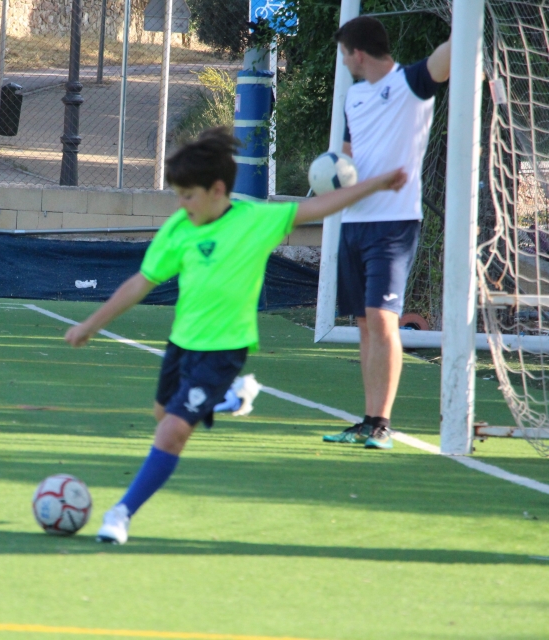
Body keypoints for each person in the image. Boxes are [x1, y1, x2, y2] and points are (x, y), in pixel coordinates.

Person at [64, 127, 407, 544]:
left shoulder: (255, 221)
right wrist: (90, 325)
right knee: (162, 416)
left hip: (224, 349)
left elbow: (320, 206)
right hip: (181, 344)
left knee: (171, 431)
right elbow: (140, 282)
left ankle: (121, 513)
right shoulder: (179, 227)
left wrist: (379, 182)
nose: (181, 203)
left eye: (188, 194)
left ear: (218, 189)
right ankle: (228, 398)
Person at [322, 17, 451, 450]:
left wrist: (469, 15)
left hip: (395, 224)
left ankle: (382, 423)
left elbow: (448, 55)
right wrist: (330, 178)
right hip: (353, 223)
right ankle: (368, 419)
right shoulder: (353, 97)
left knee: (382, 319)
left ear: (357, 52)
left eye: (344, 53)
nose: (344, 62)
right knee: (363, 323)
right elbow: (344, 160)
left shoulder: (411, 82)